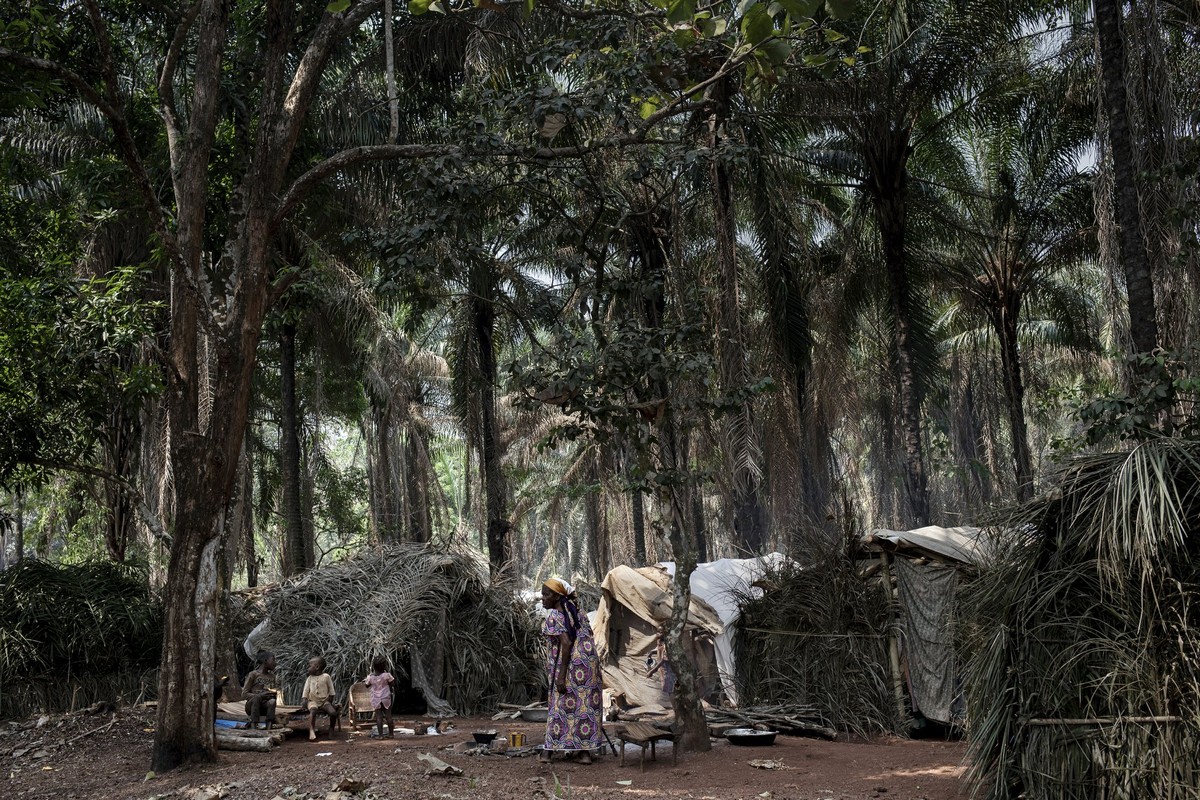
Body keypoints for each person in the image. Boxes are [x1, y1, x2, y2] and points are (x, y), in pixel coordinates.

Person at [539, 578, 602, 765]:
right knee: (584, 707)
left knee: (559, 707)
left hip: (570, 666)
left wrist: (561, 675)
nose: (543, 598)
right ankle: (584, 753)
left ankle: (547, 752)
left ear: (558, 596)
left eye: (546, 594)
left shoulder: (554, 617)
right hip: (588, 666)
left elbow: (566, 643)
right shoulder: (578, 612)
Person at [300, 656, 339, 741]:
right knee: (313, 711)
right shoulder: (310, 678)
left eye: (310, 666)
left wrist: (330, 702)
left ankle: (331, 729)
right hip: (312, 701)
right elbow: (306, 690)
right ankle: (311, 730)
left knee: (333, 713)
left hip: (324, 701)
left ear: (317, 667)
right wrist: (304, 700)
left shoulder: (326, 677)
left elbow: (331, 690)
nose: (308, 668)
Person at [242, 651, 278, 729]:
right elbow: (244, 694)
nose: (274, 663)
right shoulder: (253, 674)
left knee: (272, 701)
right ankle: (253, 726)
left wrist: (272, 694)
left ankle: (269, 727)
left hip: (265, 706)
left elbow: (273, 694)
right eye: (273, 660)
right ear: (265, 661)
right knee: (257, 698)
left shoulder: (272, 677)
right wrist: (260, 695)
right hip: (251, 706)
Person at [362, 655, 395, 738]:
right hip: (386, 698)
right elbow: (392, 683)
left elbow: (366, 685)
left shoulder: (371, 677)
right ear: (384, 666)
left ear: (373, 666)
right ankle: (391, 734)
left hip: (376, 699)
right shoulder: (387, 675)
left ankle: (380, 735)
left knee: (379, 717)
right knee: (388, 716)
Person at [647, 625, 676, 696]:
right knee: (667, 687)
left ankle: (675, 705)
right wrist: (652, 652)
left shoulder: (668, 643)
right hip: (662, 669)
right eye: (657, 632)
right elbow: (659, 649)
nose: (658, 634)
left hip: (668, 670)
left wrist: (652, 671)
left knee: (671, 690)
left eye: (660, 632)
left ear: (665, 633)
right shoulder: (659, 640)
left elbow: (663, 660)